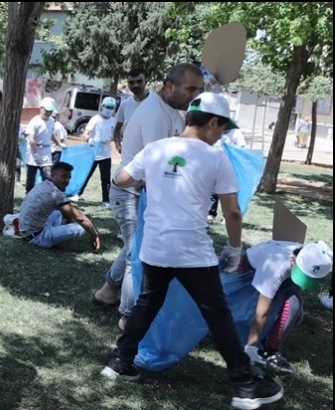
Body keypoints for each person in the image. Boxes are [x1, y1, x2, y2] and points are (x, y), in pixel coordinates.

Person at [100, 92, 284, 410]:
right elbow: (232, 212)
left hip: (155, 248)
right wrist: (234, 247)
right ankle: (244, 386)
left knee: (147, 303)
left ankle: (118, 362)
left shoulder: (156, 149)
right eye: (222, 128)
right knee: (218, 314)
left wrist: (148, 184)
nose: (222, 135)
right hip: (191, 252)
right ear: (212, 122)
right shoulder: (216, 158)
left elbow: (121, 177)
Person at [91, 63, 203, 333]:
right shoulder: (156, 114)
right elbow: (155, 167)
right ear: (169, 86)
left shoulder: (173, 112)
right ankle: (128, 319)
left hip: (142, 192)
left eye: (198, 89)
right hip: (130, 192)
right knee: (137, 255)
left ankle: (107, 292)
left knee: (133, 247)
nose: (194, 95)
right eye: (190, 89)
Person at [241, 240, 332, 374]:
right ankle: (269, 351)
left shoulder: (316, 258)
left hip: (284, 274)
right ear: (294, 260)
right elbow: (262, 311)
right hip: (250, 274)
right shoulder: (275, 267)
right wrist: (251, 348)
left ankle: (270, 340)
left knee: (297, 316)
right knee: (293, 305)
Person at [18, 161, 101, 251]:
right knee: (80, 228)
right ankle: (52, 241)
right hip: (36, 237)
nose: (67, 181)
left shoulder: (43, 185)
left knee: (57, 212)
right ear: (52, 176)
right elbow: (80, 218)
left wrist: (70, 220)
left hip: (25, 232)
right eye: (63, 176)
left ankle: (57, 238)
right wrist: (95, 235)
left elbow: (68, 211)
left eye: (69, 177)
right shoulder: (55, 194)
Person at [71, 96, 117, 207]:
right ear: (102, 107)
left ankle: (106, 200)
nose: (109, 109)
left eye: (111, 108)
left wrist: (110, 139)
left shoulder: (113, 121)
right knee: (86, 174)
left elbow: (115, 135)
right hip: (93, 154)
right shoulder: (95, 119)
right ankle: (77, 193)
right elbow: (85, 133)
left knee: (105, 179)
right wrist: (89, 139)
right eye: (107, 107)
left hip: (105, 155)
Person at [24, 97, 63, 193]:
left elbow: (51, 134)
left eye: (50, 111)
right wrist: (36, 154)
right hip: (34, 154)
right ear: (41, 108)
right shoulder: (35, 121)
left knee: (48, 178)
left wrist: (59, 143)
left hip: (46, 154)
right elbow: (31, 139)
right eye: (46, 111)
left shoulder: (51, 121)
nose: (48, 113)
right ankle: (29, 196)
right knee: (31, 179)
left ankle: (46, 197)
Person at [208, 127, 247, 221]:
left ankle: (227, 216)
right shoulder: (217, 132)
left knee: (228, 192)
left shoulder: (236, 133)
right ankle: (211, 213)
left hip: (230, 167)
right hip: (215, 166)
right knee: (213, 191)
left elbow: (241, 148)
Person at [113, 68, 154, 154]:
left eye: (139, 81)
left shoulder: (157, 102)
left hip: (151, 157)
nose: (135, 85)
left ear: (146, 81)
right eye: (131, 82)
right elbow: (116, 129)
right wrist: (118, 146)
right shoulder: (125, 105)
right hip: (129, 159)